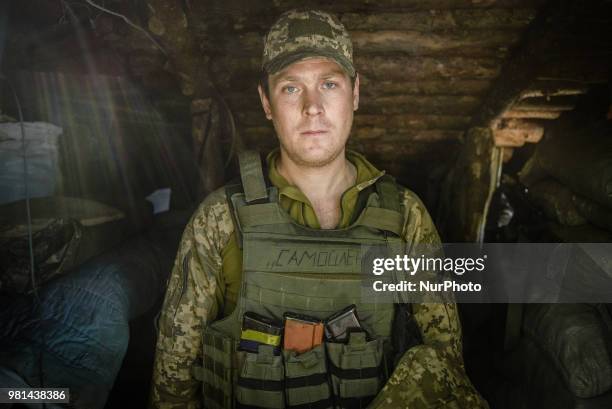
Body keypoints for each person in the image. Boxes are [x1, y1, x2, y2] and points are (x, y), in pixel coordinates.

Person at [150, 9, 489, 409]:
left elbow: (445, 370)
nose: (312, 106)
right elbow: (173, 384)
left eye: (329, 83)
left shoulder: (404, 218)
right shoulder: (220, 220)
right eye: (291, 88)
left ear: (355, 93)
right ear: (266, 102)